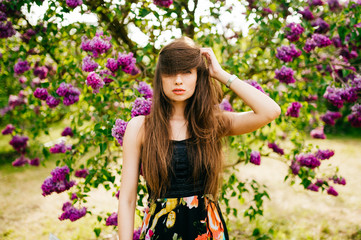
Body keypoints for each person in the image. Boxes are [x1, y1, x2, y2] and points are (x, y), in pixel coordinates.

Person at [117, 36, 281, 240]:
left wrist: (220, 74)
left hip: (207, 233)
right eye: (170, 72)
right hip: (160, 232)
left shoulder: (212, 124)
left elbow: (270, 111)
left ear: (198, 76)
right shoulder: (141, 127)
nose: (178, 80)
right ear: (160, 77)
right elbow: (127, 199)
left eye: (187, 72)